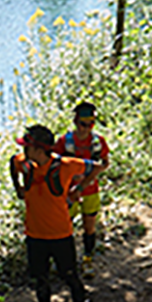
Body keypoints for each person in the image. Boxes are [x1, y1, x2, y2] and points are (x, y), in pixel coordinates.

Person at [10, 124, 98, 302]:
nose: (24, 151)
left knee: (71, 278)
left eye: (28, 146)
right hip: (34, 236)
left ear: (39, 149)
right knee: (40, 281)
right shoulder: (24, 163)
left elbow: (97, 167)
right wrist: (18, 187)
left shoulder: (65, 165)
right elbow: (12, 163)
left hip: (61, 236)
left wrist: (79, 190)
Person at [58, 101, 111, 275]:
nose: (86, 128)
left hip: (90, 191)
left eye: (90, 124)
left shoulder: (98, 141)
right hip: (68, 192)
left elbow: (105, 163)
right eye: (83, 124)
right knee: (66, 227)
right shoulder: (64, 142)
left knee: (90, 227)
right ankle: (68, 263)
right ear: (75, 121)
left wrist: (86, 178)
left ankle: (88, 259)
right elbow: (54, 164)